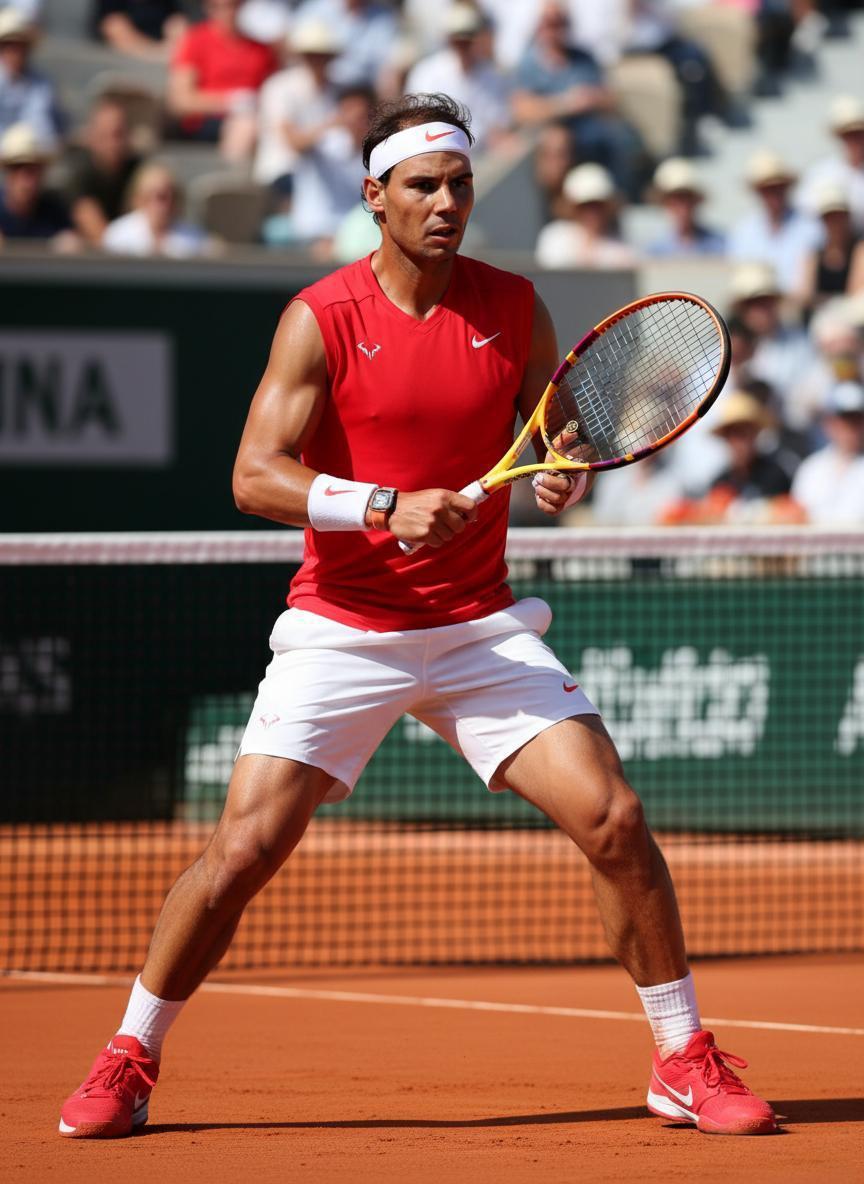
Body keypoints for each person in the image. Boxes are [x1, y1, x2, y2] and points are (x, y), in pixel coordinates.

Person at [58, 92, 776, 1142]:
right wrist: (383, 505)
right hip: (344, 624)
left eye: (460, 185)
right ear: (374, 198)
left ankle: (680, 1056)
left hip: (480, 627)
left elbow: (557, 419)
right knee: (243, 849)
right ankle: (129, 1054)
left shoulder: (516, 303)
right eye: (423, 186)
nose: (446, 203)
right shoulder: (320, 315)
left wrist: (561, 467)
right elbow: (253, 477)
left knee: (614, 817)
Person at [511, 1, 646, 202]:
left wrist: (592, 98)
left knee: (623, 136)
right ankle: (562, 206)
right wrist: (566, 104)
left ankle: (620, 198)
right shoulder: (529, 64)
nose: (556, 29)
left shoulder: (583, 58)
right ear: (539, 26)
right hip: (555, 132)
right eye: (550, 23)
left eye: (561, 22)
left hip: (591, 129)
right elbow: (522, 110)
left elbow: (610, 98)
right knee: (558, 144)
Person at [168, 0, 278, 161]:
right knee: (246, 125)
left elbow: (273, 93)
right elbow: (180, 101)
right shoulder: (194, 40)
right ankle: (231, 181)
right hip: (207, 122)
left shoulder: (262, 49)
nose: (227, 12)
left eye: (233, 5)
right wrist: (232, 102)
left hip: (259, 120)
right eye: (217, 6)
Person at [405, 4, 512, 153]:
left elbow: (499, 125)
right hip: (438, 154)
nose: (463, 44)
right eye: (458, 38)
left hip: (483, 159)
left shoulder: (492, 75)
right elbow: (419, 126)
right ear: (448, 39)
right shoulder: (426, 74)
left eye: (468, 38)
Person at [252, 17, 341, 193]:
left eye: (322, 56)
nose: (317, 61)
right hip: (284, 173)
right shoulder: (279, 87)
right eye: (311, 55)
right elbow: (292, 141)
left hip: (327, 176)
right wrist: (336, 124)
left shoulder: (337, 90)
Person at [729, 149, 822, 296]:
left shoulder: (811, 227)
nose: (773, 194)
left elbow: (806, 289)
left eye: (778, 187)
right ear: (757, 191)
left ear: (787, 187)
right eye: (767, 189)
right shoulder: (743, 231)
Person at [61, 97, 143, 246]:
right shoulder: (79, 173)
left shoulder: (138, 170)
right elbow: (101, 236)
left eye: (119, 134)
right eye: (106, 135)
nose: (114, 143)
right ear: (92, 137)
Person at [535, 161, 638, 269]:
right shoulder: (554, 237)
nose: (592, 213)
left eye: (598, 205)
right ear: (572, 207)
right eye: (585, 206)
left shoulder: (621, 246)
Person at [791, 380, 864, 523]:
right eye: (844, 419)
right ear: (828, 423)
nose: (850, 428)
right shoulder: (811, 468)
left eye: (856, 420)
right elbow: (797, 517)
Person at [101, 161, 209, 257]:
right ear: (140, 198)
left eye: (173, 196)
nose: (167, 204)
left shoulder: (195, 238)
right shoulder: (118, 235)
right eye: (160, 197)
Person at [0, 121, 76, 246]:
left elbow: (73, 244)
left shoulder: (55, 212)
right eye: (17, 167)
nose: (24, 178)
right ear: (7, 172)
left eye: (32, 169)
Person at [798, 95, 864, 234]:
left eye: (858, 133)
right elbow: (807, 217)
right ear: (839, 136)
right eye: (848, 134)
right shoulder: (820, 175)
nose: (854, 139)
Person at [797, 182, 864, 313]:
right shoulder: (813, 254)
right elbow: (804, 297)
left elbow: (855, 297)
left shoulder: (859, 250)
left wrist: (821, 301)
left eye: (840, 216)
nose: (835, 223)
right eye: (830, 217)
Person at [0, 7, 63, 142]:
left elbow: (43, 129)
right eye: (8, 45)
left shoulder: (42, 84)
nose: (14, 53)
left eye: (19, 46)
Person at [646, 157, 725, 258]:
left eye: (687, 198)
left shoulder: (719, 244)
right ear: (665, 203)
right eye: (675, 199)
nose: (682, 206)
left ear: (695, 201)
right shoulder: (655, 250)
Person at [91, 0, 189, 60]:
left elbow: (177, 19)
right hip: (123, 50)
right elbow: (110, 24)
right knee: (115, 25)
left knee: (178, 24)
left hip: (160, 44)